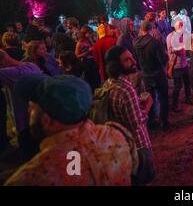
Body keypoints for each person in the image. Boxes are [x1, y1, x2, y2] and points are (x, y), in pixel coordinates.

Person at [5, 74, 136, 186]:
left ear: (48, 120)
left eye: (32, 107)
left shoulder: (33, 177)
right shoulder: (117, 135)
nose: (28, 111)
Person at [103, 46, 155, 185]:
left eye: (132, 57)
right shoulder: (126, 89)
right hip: (138, 145)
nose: (133, 61)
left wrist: (137, 105)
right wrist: (148, 106)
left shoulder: (109, 84)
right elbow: (136, 123)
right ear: (116, 65)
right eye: (127, 60)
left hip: (121, 145)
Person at [0, 49, 42, 157]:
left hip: (23, 120)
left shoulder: (12, 73)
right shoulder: (30, 65)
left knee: (29, 152)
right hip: (37, 115)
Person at [134, 20, 170, 130]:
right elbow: (162, 59)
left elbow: (135, 59)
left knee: (150, 99)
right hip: (158, 74)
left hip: (146, 74)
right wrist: (166, 56)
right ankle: (164, 122)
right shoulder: (155, 42)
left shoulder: (135, 43)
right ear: (151, 29)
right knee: (163, 98)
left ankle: (151, 122)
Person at [166, 18, 192, 109]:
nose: (181, 26)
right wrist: (180, 47)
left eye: (182, 25)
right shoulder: (170, 36)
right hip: (176, 65)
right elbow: (170, 50)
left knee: (187, 83)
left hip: (184, 64)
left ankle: (188, 98)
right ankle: (174, 105)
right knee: (178, 86)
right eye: (179, 25)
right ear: (175, 26)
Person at [75, 25, 101, 91]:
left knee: (96, 77)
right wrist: (86, 53)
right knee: (90, 79)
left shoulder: (89, 40)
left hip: (93, 61)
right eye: (88, 33)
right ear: (83, 33)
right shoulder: (79, 43)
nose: (90, 34)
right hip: (86, 63)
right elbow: (76, 56)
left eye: (90, 33)